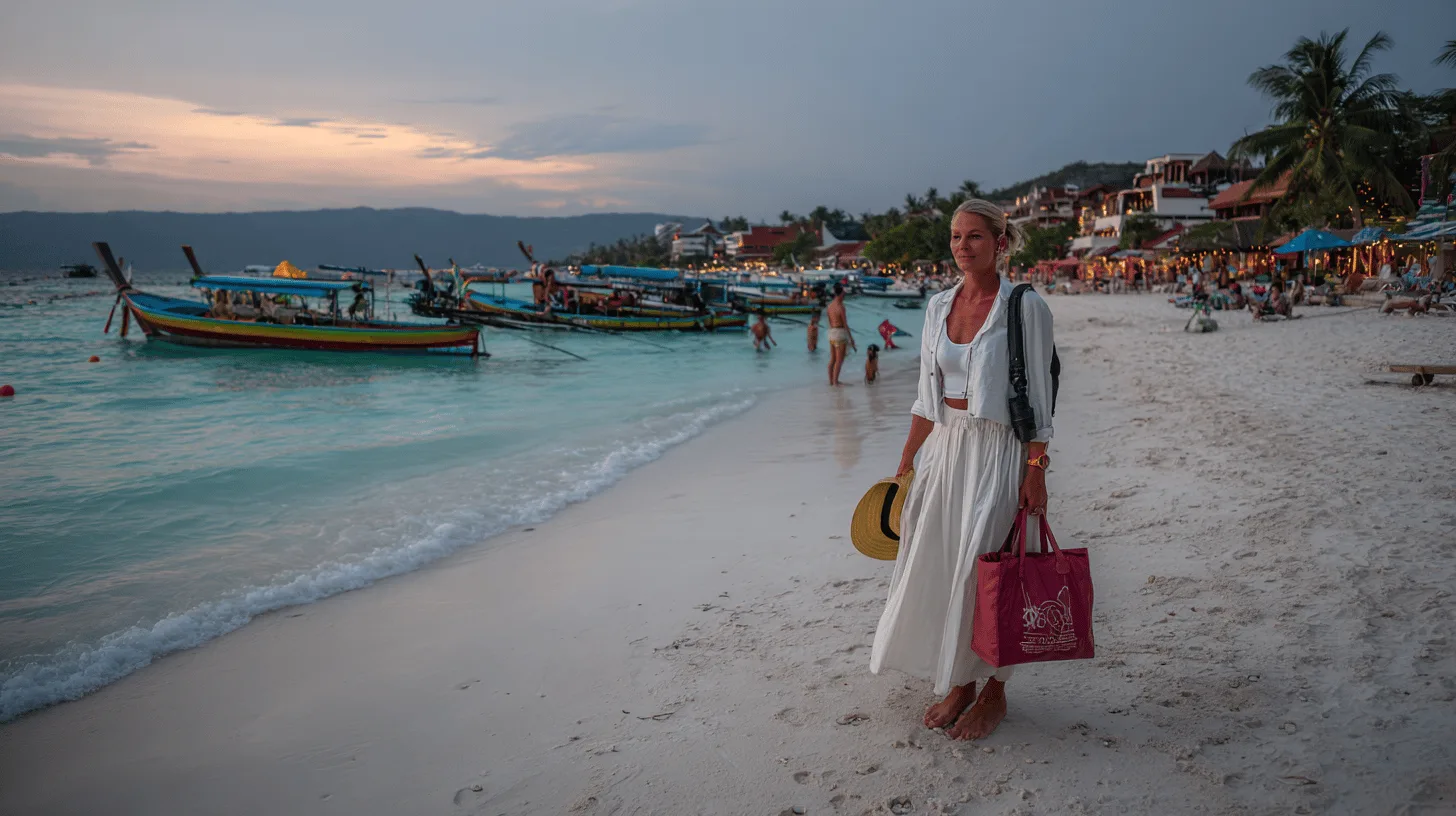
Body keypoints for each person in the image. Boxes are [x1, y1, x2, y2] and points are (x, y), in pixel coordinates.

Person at [870, 198, 1055, 742]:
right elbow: (926, 399)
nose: (961, 247)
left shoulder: (1025, 307)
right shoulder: (936, 306)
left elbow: (1040, 401)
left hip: (998, 450)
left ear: (1000, 242)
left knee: (988, 572)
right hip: (945, 451)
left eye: (974, 236)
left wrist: (1036, 469)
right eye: (955, 236)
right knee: (941, 563)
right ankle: (960, 681)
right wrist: (905, 463)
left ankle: (995, 690)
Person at [826, 284, 856, 385]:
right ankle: (835, 382)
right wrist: (851, 339)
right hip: (840, 333)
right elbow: (845, 324)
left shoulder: (829, 306)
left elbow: (830, 322)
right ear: (840, 294)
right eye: (843, 294)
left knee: (832, 359)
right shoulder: (841, 307)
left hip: (832, 332)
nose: (844, 296)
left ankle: (831, 381)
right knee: (839, 360)